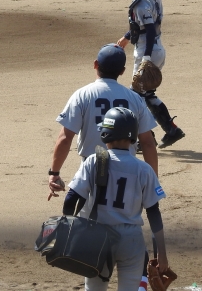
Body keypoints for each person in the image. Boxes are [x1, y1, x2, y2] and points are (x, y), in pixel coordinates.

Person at [63, 107, 169, 291]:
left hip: (98, 238)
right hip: (131, 240)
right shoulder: (144, 169)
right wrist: (161, 253)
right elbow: (154, 213)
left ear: (105, 133)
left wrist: (68, 231)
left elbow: (71, 198)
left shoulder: (94, 161)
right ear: (133, 136)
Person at [48, 43, 158, 200]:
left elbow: (65, 138)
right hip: (128, 171)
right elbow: (148, 143)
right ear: (122, 71)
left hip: (91, 170)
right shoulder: (135, 99)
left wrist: (54, 172)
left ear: (95, 64)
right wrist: (153, 182)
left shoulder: (82, 95)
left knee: (87, 212)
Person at [117, 0, 185, 149]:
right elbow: (150, 25)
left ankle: (146, 138)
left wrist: (145, 58)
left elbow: (149, 29)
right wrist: (127, 37)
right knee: (147, 94)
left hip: (146, 52)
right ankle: (171, 130)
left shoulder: (140, 3)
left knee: (135, 97)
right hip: (158, 49)